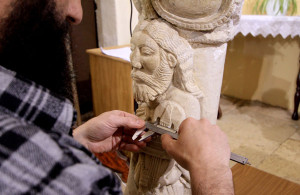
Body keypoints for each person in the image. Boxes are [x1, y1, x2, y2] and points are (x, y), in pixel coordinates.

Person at [0, 0, 234, 194]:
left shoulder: (184, 102)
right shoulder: (72, 183)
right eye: (135, 52)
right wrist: (213, 173)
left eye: (147, 52)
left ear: (173, 60)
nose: (137, 63)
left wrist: (77, 139)